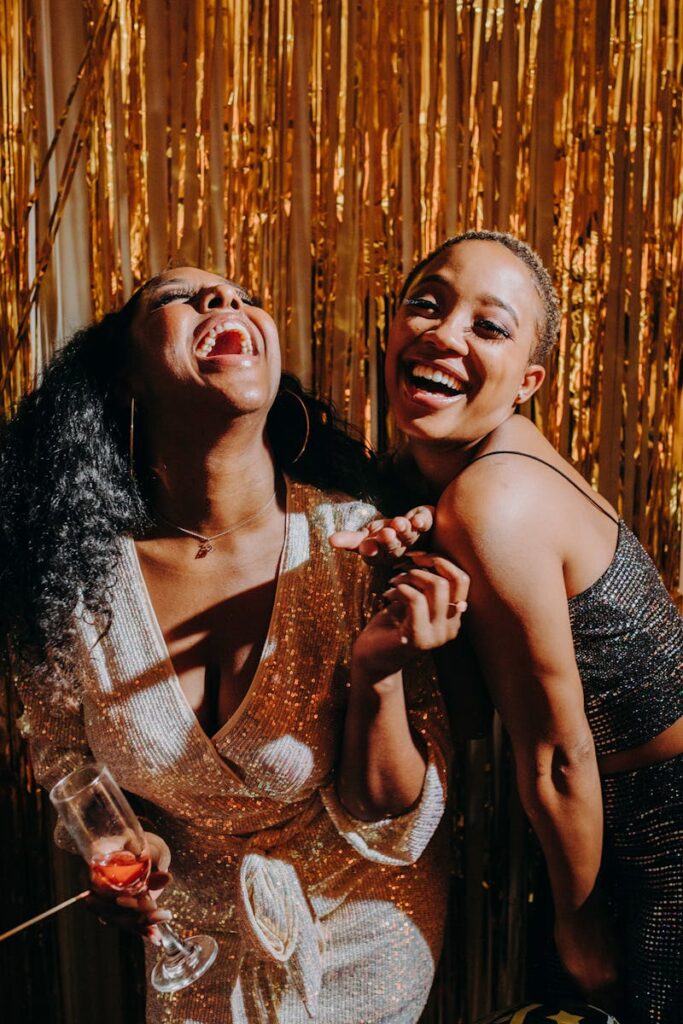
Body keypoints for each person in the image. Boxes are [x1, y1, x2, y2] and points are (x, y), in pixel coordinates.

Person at [1, 267, 470, 1024]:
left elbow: (390, 820)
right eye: (177, 298)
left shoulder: (353, 544)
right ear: (125, 371)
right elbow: (66, 761)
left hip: (361, 939)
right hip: (192, 947)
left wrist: (380, 671)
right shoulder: (68, 577)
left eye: (244, 295)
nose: (225, 302)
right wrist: (120, 847)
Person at [377, 230, 681, 1024]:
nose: (443, 333)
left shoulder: (491, 499)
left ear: (526, 381)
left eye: (489, 325)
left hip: (662, 836)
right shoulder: (449, 476)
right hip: (613, 825)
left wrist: (579, 930)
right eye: (427, 303)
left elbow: (554, 753)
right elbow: (478, 715)